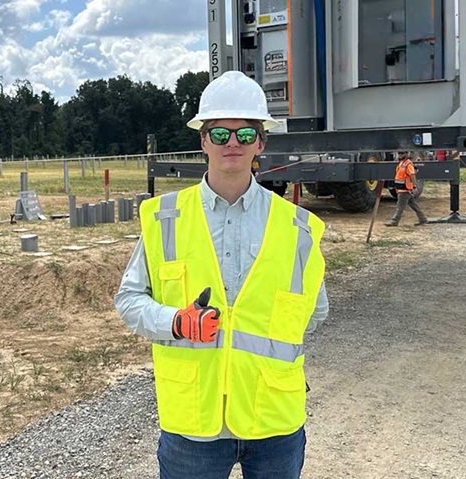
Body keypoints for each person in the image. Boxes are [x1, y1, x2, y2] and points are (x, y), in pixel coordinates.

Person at [115, 70, 329, 479]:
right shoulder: (165, 218)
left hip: (274, 423)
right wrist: (174, 321)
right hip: (193, 424)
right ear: (203, 140)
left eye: (245, 134)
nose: (233, 143)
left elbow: (314, 312)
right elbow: (129, 300)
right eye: (220, 133)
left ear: (261, 142)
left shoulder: (298, 227)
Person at [385, 151, 428, 226]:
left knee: (400, 207)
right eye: (399, 153)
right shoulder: (401, 163)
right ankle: (423, 219)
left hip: (405, 189)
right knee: (414, 205)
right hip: (403, 189)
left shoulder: (408, 164)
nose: (400, 155)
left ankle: (394, 222)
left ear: (406, 154)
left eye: (402, 153)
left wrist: (414, 187)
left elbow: (412, 175)